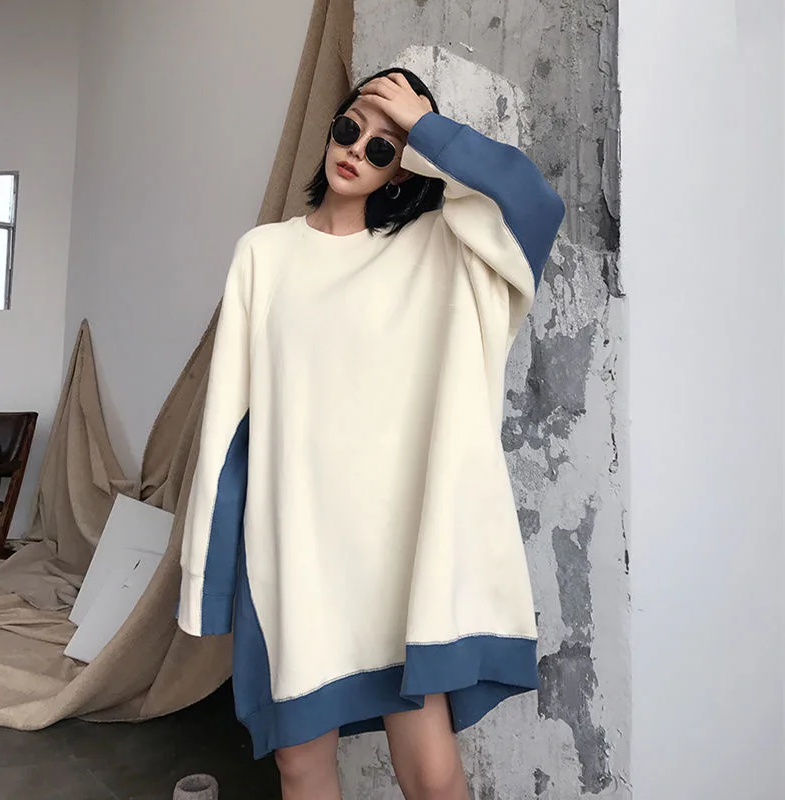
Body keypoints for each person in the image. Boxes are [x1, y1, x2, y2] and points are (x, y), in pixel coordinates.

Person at [177, 68, 565, 800]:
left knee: (430, 770)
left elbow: (534, 206)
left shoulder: (440, 248)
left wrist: (425, 126)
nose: (357, 149)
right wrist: (214, 572)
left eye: (384, 146)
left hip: (397, 554)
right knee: (299, 764)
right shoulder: (264, 253)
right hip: (294, 549)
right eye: (349, 128)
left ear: (404, 168)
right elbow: (230, 420)